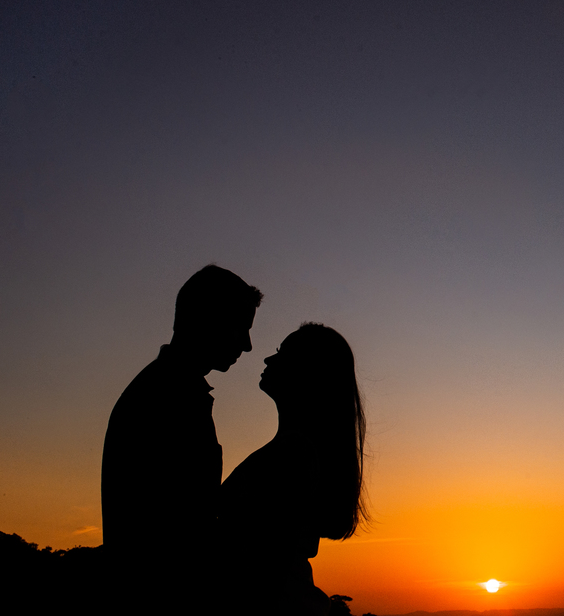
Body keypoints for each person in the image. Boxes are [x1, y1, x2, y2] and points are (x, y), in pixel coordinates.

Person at [101, 264, 263, 615]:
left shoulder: (171, 389)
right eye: (241, 328)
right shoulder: (168, 397)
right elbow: (179, 533)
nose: (248, 346)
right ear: (208, 319)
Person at [218, 322, 367, 616]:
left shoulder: (293, 454)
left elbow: (260, 561)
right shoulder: (296, 450)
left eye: (281, 354)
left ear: (307, 372)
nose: (267, 359)